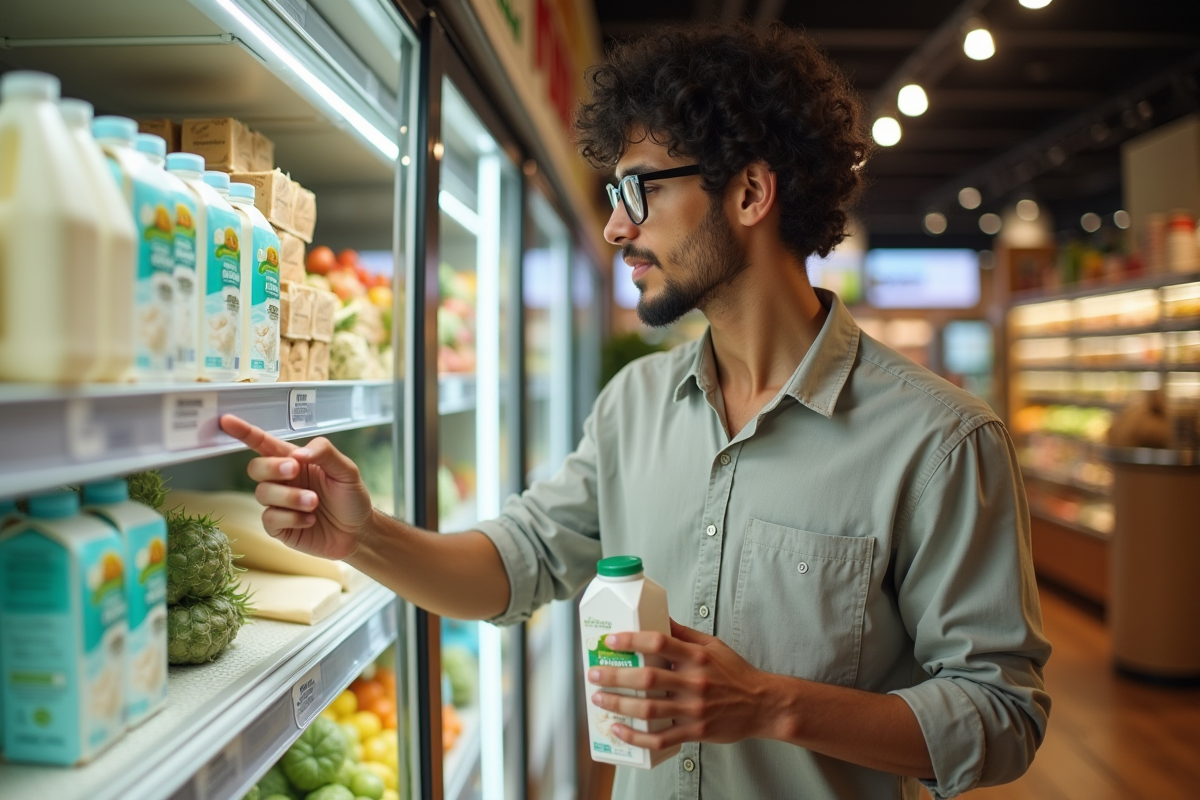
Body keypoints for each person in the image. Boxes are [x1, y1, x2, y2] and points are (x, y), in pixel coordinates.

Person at [220, 23, 1051, 800]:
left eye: (636, 189)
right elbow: (514, 565)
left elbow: (1002, 714)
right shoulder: (633, 407)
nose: (616, 227)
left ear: (752, 192)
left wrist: (766, 704)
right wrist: (360, 536)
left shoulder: (938, 441)